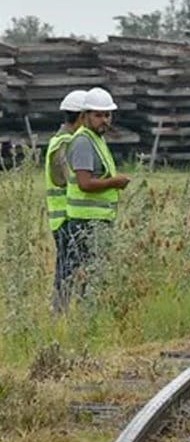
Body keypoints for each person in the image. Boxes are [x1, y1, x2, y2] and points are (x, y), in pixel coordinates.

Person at [64, 87, 132, 300]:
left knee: (95, 273)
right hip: (86, 223)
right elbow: (85, 183)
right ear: (84, 116)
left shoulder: (96, 139)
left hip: (97, 221)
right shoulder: (84, 141)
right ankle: (83, 316)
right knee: (88, 274)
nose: (104, 120)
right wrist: (115, 182)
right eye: (98, 115)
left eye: (107, 115)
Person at [46, 90, 87, 310]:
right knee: (67, 269)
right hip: (66, 218)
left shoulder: (62, 140)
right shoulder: (66, 143)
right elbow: (65, 178)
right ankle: (59, 313)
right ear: (81, 117)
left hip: (64, 217)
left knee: (68, 267)